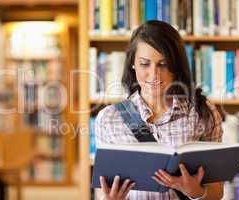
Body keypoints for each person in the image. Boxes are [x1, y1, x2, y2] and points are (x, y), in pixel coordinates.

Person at [95, 20, 224, 200]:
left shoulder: (202, 112)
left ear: (176, 65)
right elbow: (103, 191)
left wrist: (195, 191)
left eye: (163, 64)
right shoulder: (109, 118)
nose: (154, 74)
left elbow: (216, 192)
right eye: (144, 64)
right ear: (133, 63)